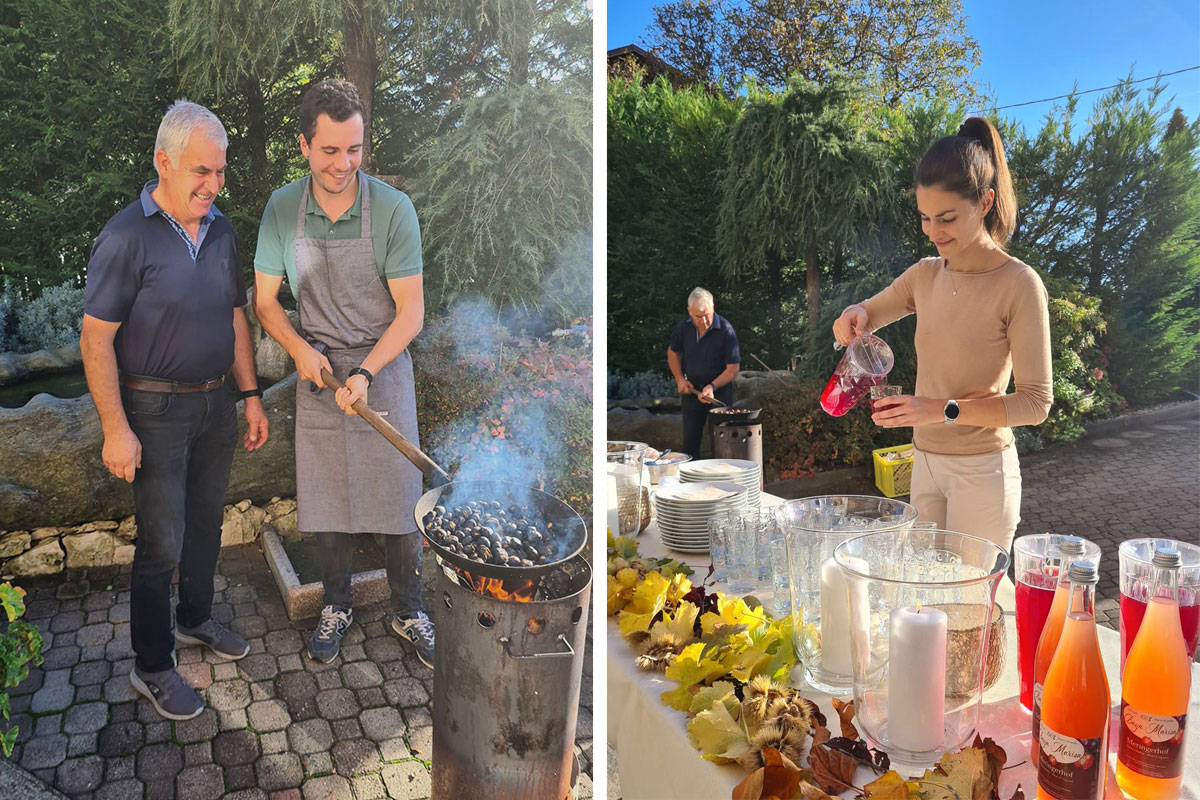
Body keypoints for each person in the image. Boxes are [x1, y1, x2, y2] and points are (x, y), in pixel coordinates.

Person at [80, 101, 269, 721]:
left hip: (216, 403)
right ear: (164, 162)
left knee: (206, 525)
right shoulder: (125, 236)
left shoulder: (220, 229)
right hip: (154, 411)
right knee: (161, 542)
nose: (214, 186)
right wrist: (115, 429)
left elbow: (235, 315)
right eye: (201, 172)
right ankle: (152, 664)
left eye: (220, 172)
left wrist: (249, 395)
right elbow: (95, 338)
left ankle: (194, 620)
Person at [253, 79, 434, 668]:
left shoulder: (392, 209)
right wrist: (300, 350)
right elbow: (264, 301)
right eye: (330, 151)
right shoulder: (283, 209)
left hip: (383, 365)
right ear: (304, 145)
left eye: (354, 149)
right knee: (326, 494)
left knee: (402, 494)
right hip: (319, 369)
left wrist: (369, 374)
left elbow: (412, 312)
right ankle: (336, 604)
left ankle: (410, 609)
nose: (343, 164)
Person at [832, 117, 1052, 552]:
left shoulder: (1019, 284)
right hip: (925, 463)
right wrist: (853, 315)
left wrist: (940, 410)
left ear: (985, 202)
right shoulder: (924, 275)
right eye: (925, 218)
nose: (933, 232)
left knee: (969, 610)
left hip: (983, 472)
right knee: (924, 608)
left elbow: (1035, 403)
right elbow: (869, 314)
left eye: (947, 218)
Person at [667, 288, 741, 459]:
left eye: (707, 314)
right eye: (697, 316)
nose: (704, 320)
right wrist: (679, 379)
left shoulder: (726, 330)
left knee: (722, 445)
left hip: (719, 395)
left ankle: (722, 483)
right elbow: (672, 352)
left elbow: (733, 369)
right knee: (689, 446)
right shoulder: (683, 327)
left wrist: (712, 386)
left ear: (713, 307)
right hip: (692, 393)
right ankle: (691, 484)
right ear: (689, 312)